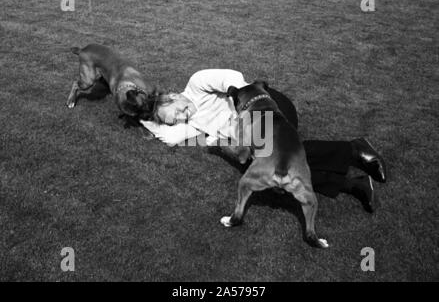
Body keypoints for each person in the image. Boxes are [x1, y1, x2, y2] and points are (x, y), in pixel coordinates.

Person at [141, 69, 387, 210]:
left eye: (178, 112)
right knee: (271, 172)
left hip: (265, 104)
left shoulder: (196, 84)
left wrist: (242, 119)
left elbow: (233, 79)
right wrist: (142, 115)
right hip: (253, 135)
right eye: (177, 121)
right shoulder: (192, 125)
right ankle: (354, 183)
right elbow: (170, 138)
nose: (183, 118)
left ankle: (353, 153)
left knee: (273, 155)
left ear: (173, 96)